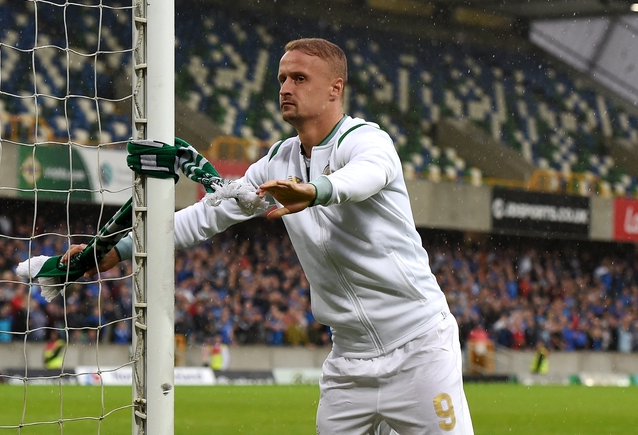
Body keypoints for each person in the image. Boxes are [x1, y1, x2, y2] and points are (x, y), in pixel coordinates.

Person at [66, 38, 474, 435]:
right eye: (281, 79)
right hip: (350, 361)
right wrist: (122, 249)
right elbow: (210, 215)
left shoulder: (366, 139)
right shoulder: (280, 159)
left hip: (418, 349)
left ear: (336, 88)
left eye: (298, 78)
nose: (284, 88)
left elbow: (367, 176)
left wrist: (316, 192)